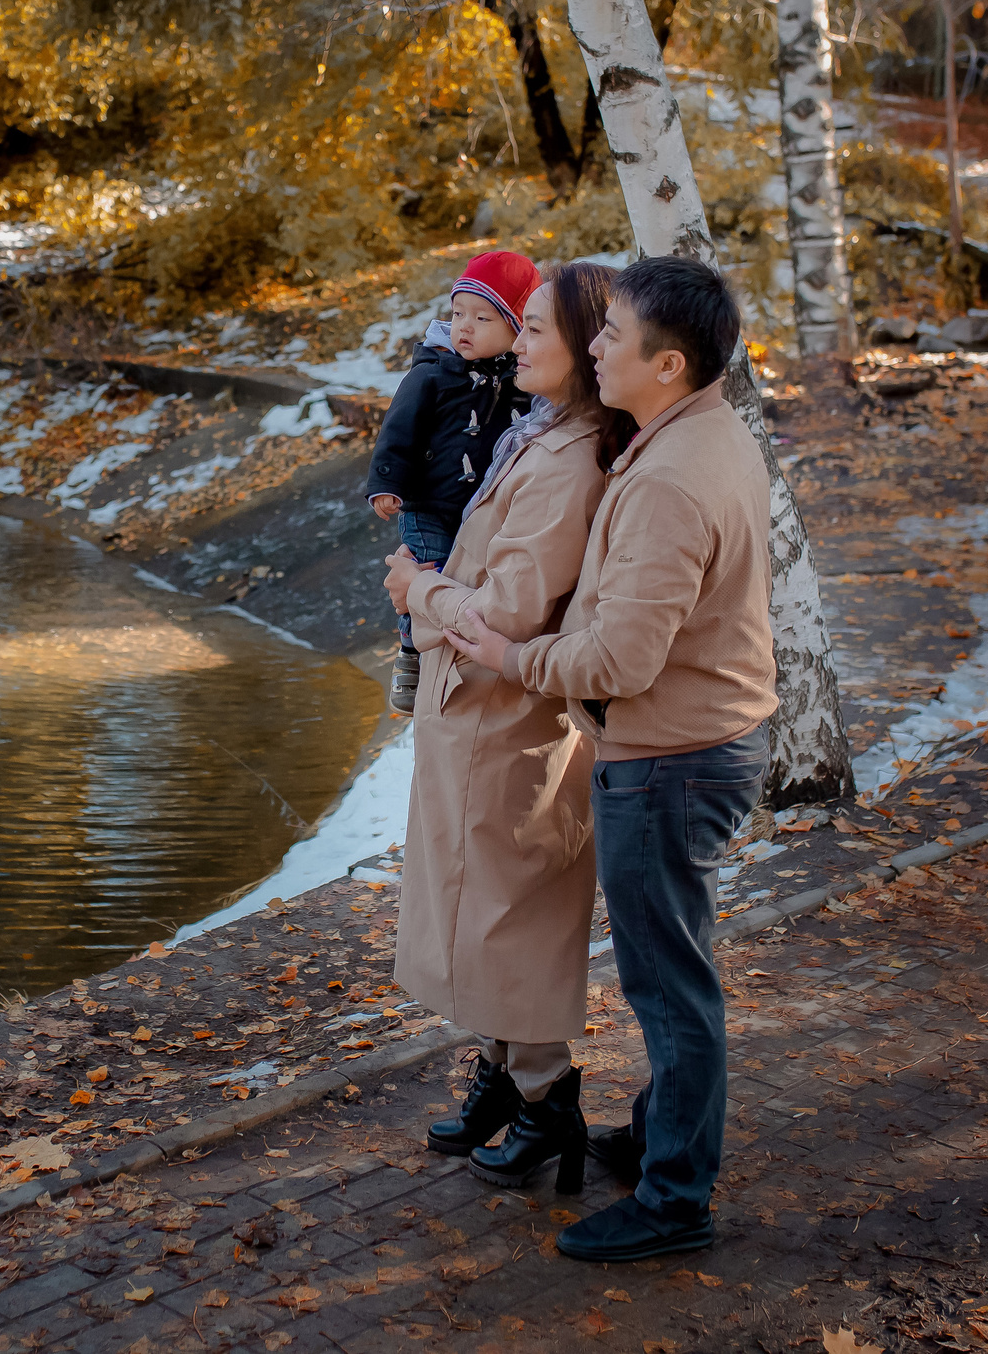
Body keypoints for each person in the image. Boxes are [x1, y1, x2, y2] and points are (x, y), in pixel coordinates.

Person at [443, 255, 774, 1264]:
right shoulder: (698, 434)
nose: (592, 344)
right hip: (682, 746)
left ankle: (676, 1198)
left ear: (665, 364)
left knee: (670, 991)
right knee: (671, 980)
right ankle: (663, 1141)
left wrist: (508, 654)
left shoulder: (672, 477)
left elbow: (621, 658)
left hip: (671, 760)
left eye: (609, 331)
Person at [383, 263, 632, 1195]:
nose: (516, 342)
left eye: (535, 331)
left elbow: (516, 610)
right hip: (474, 714)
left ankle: (545, 1095)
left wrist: (422, 590)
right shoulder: (539, 428)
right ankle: (507, 1075)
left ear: (586, 348)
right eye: (516, 327)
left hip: (507, 720)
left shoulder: (567, 459)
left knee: (499, 921)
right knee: (468, 912)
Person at [365, 250, 543, 714]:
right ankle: (411, 655)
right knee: (428, 571)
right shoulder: (433, 371)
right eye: (457, 313)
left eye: (482, 317)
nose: (464, 326)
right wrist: (387, 482)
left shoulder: (522, 380)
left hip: (484, 507)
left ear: (516, 327)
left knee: (467, 579)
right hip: (428, 502)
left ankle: (466, 651)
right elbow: (398, 430)